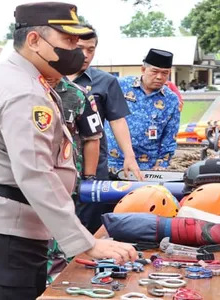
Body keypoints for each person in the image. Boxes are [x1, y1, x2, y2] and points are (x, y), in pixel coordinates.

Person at [0, 3, 138, 299]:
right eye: (67, 40)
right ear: (34, 41)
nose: (76, 49)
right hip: (9, 225)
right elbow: (35, 173)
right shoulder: (24, 91)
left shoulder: (20, 78)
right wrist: (86, 243)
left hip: (15, 220)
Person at [67, 24, 143, 234]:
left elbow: (117, 120)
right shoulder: (51, 79)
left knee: (91, 219)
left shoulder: (105, 82)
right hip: (59, 162)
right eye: (80, 47)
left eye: (91, 49)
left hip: (93, 162)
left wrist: (129, 155)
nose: (85, 54)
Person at [44, 76, 103, 284]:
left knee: (61, 243)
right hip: (28, 182)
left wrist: (89, 178)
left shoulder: (77, 94)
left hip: (65, 182)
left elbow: (93, 138)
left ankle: (55, 286)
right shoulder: (23, 87)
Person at [106, 48, 181, 171]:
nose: (159, 77)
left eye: (165, 73)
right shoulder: (120, 86)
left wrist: (161, 164)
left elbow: (170, 136)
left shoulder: (171, 100)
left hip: (146, 167)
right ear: (143, 69)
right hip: (113, 161)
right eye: (154, 71)